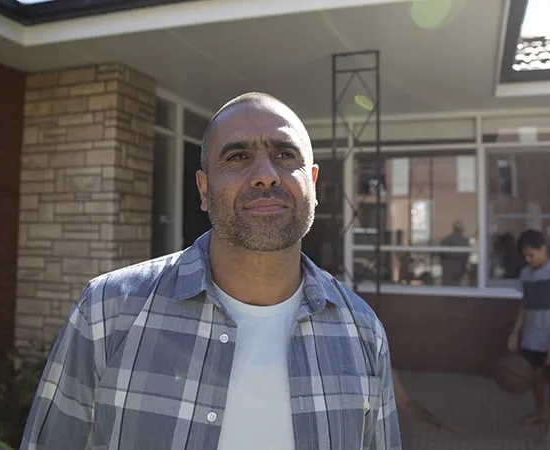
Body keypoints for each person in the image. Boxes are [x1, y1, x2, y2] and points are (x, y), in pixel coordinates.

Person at [20, 92, 401, 450]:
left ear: (313, 184)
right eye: (237, 157)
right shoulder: (108, 311)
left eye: (285, 155)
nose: (266, 175)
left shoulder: (362, 332)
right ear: (203, 189)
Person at [506, 229, 550, 440]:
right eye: (525, 256)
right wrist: (515, 333)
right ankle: (540, 412)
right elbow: (524, 305)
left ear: (543, 249)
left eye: (531, 254)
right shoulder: (526, 274)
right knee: (534, 377)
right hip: (532, 336)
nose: (528, 259)